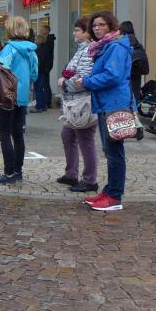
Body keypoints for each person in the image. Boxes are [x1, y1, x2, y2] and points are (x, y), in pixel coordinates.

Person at [75, 11, 132, 212]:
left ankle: (114, 196)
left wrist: (87, 81)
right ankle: (109, 191)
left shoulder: (115, 46)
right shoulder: (105, 46)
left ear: (111, 26)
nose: (97, 28)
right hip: (106, 103)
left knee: (114, 152)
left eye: (102, 25)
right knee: (110, 151)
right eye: (95, 25)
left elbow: (112, 76)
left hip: (114, 104)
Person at [56, 18, 98, 193]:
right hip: (75, 103)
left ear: (87, 33)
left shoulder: (89, 50)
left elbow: (83, 77)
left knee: (85, 140)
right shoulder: (82, 49)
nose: (74, 33)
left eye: (77, 30)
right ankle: (71, 174)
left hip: (83, 103)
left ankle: (90, 180)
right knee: (67, 135)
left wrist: (65, 82)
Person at [0, 16, 38, 184]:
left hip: (8, 95)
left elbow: (2, 70)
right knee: (18, 134)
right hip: (22, 95)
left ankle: (9, 173)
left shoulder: (9, 48)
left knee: (5, 133)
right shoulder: (31, 50)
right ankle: (18, 171)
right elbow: (34, 74)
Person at [119, 21, 149, 101]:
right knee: (134, 94)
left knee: (126, 97)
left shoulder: (123, 41)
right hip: (136, 72)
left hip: (126, 73)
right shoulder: (137, 42)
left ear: (121, 30)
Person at [32, 24, 55, 113]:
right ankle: (44, 104)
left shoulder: (41, 48)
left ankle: (40, 106)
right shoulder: (45, 45)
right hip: (44, 68)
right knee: (42, 86)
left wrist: (36, 67)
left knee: (38, 87)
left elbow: (40, 60)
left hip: (40, 69)